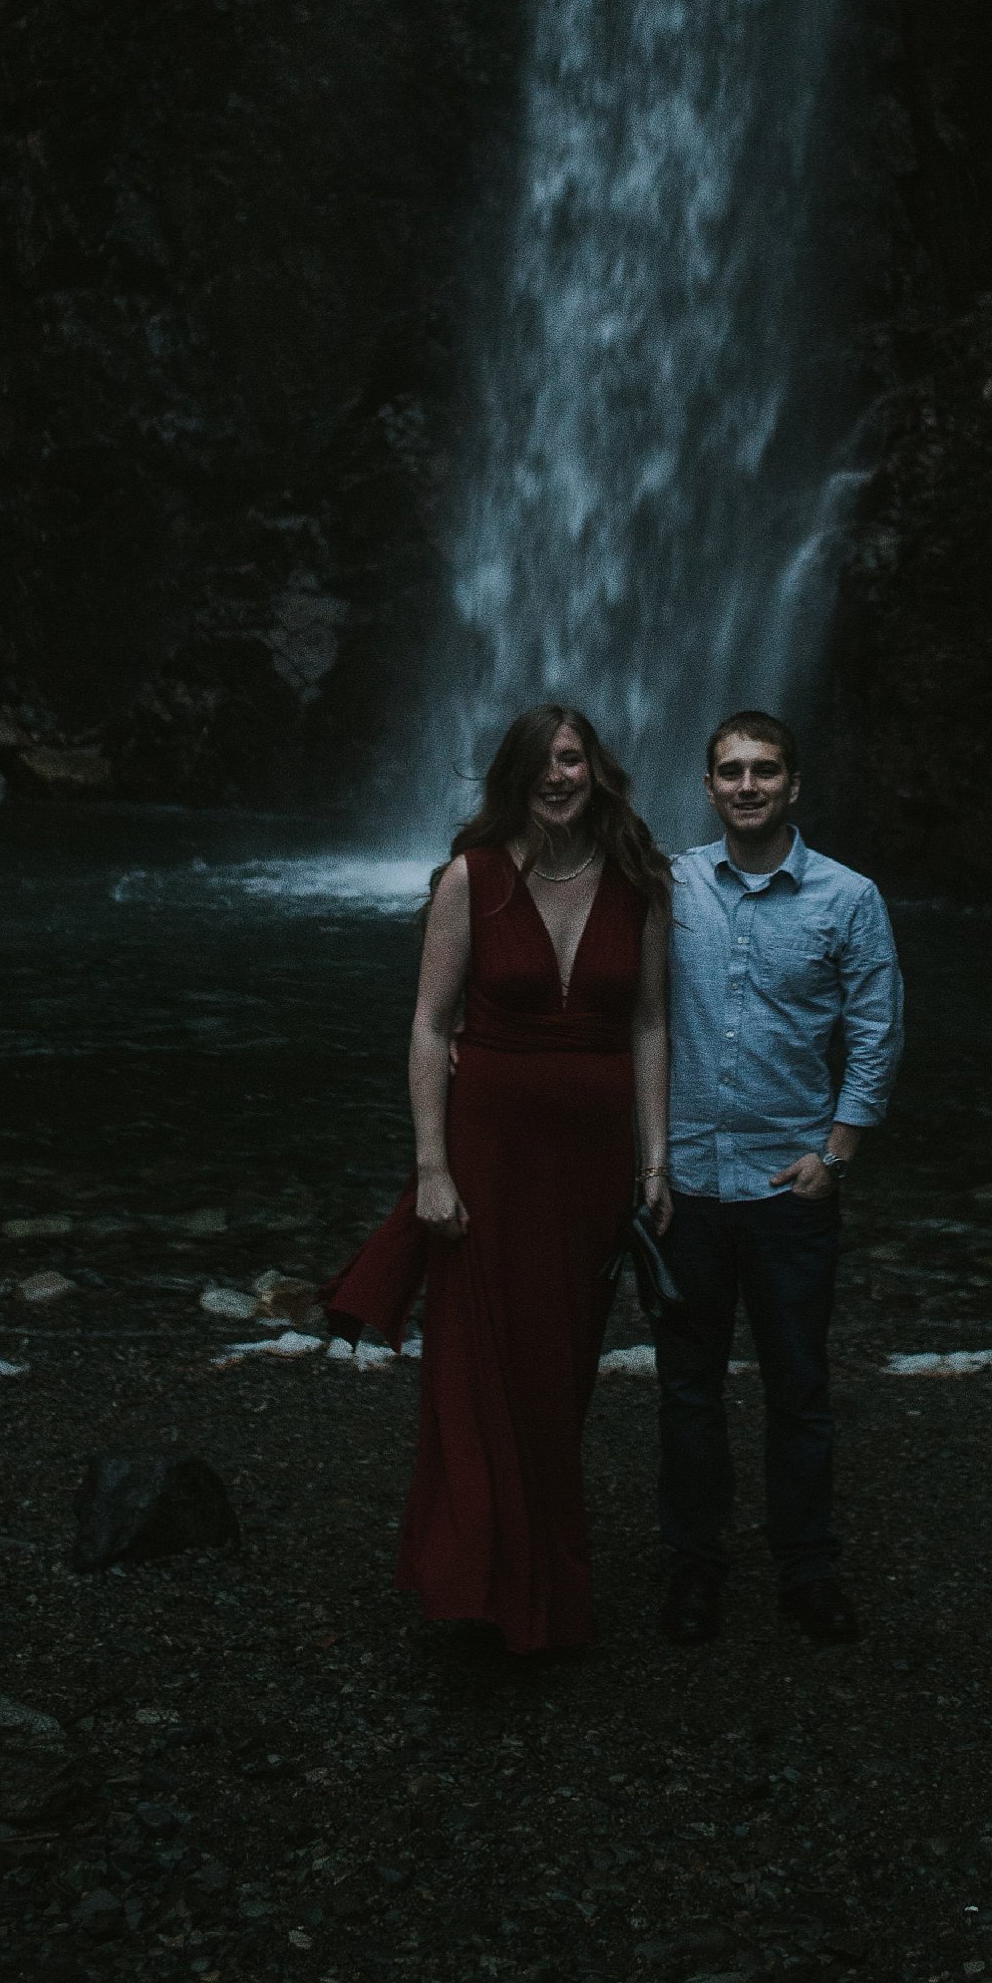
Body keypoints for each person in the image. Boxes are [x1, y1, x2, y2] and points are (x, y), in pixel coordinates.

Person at [321, 706, 671, 1654]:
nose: (559, 774)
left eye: (574, 757)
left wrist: (654, 1160)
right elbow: (432, 1025)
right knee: (478, 1369)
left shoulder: (640, 879)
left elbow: (647, 1023)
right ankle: (477, 1589)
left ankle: (544, 1583)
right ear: (514, 774)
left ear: (598, 768)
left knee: (558, 1377)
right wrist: (430, 1165)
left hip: (592, 1166)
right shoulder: (468, 879)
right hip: (486, 1158)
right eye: (542, 761)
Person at [655, 710, 903, 1647]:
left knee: (798, 1388)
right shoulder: (668, 887)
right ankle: (695, 1569)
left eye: (765, 770)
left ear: (793, 783)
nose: (748, 785)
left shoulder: (849, 897)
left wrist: (836, 1154)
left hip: (789, 1186)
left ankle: (808, 1569)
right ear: (709, 785)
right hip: (684, 1186)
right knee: (689, 1391)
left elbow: (877, 1032)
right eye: (731, 771)